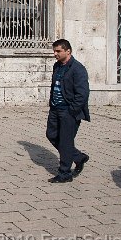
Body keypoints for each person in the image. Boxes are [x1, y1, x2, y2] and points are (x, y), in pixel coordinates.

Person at [45, 39, 90, 183]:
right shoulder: (57, 66)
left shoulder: (78, 69)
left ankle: (65, 173)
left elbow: (82, 94)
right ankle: (78, 156)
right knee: (51, 134)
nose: (55, 54)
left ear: (68, 51)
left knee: (65, 141)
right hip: (55, 109)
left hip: (68, 111)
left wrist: (72, 110)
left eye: (58, 51)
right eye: (54, 51)